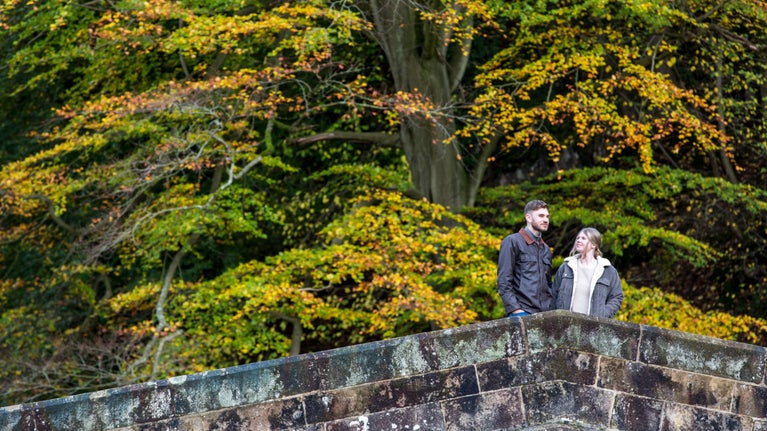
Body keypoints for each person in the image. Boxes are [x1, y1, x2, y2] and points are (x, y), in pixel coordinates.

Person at [497, 199, 553, 317]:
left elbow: (548, 284)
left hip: (546, 314)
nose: (546, 220)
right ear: (528, 217)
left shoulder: (546, 249)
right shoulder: (512, 242)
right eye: (541, 216)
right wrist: (515, 310)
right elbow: (504, 280)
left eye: (547, 216)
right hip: (522, 311)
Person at [552, 227, 624, 318]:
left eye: (583, 238)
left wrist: (603, 315)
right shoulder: (566, 267)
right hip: (565, 324)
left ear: (593, 244)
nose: (578, 240)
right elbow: (554, 294)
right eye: (578, 238)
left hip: (593, 328)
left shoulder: (608, 270)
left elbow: (617, 297)